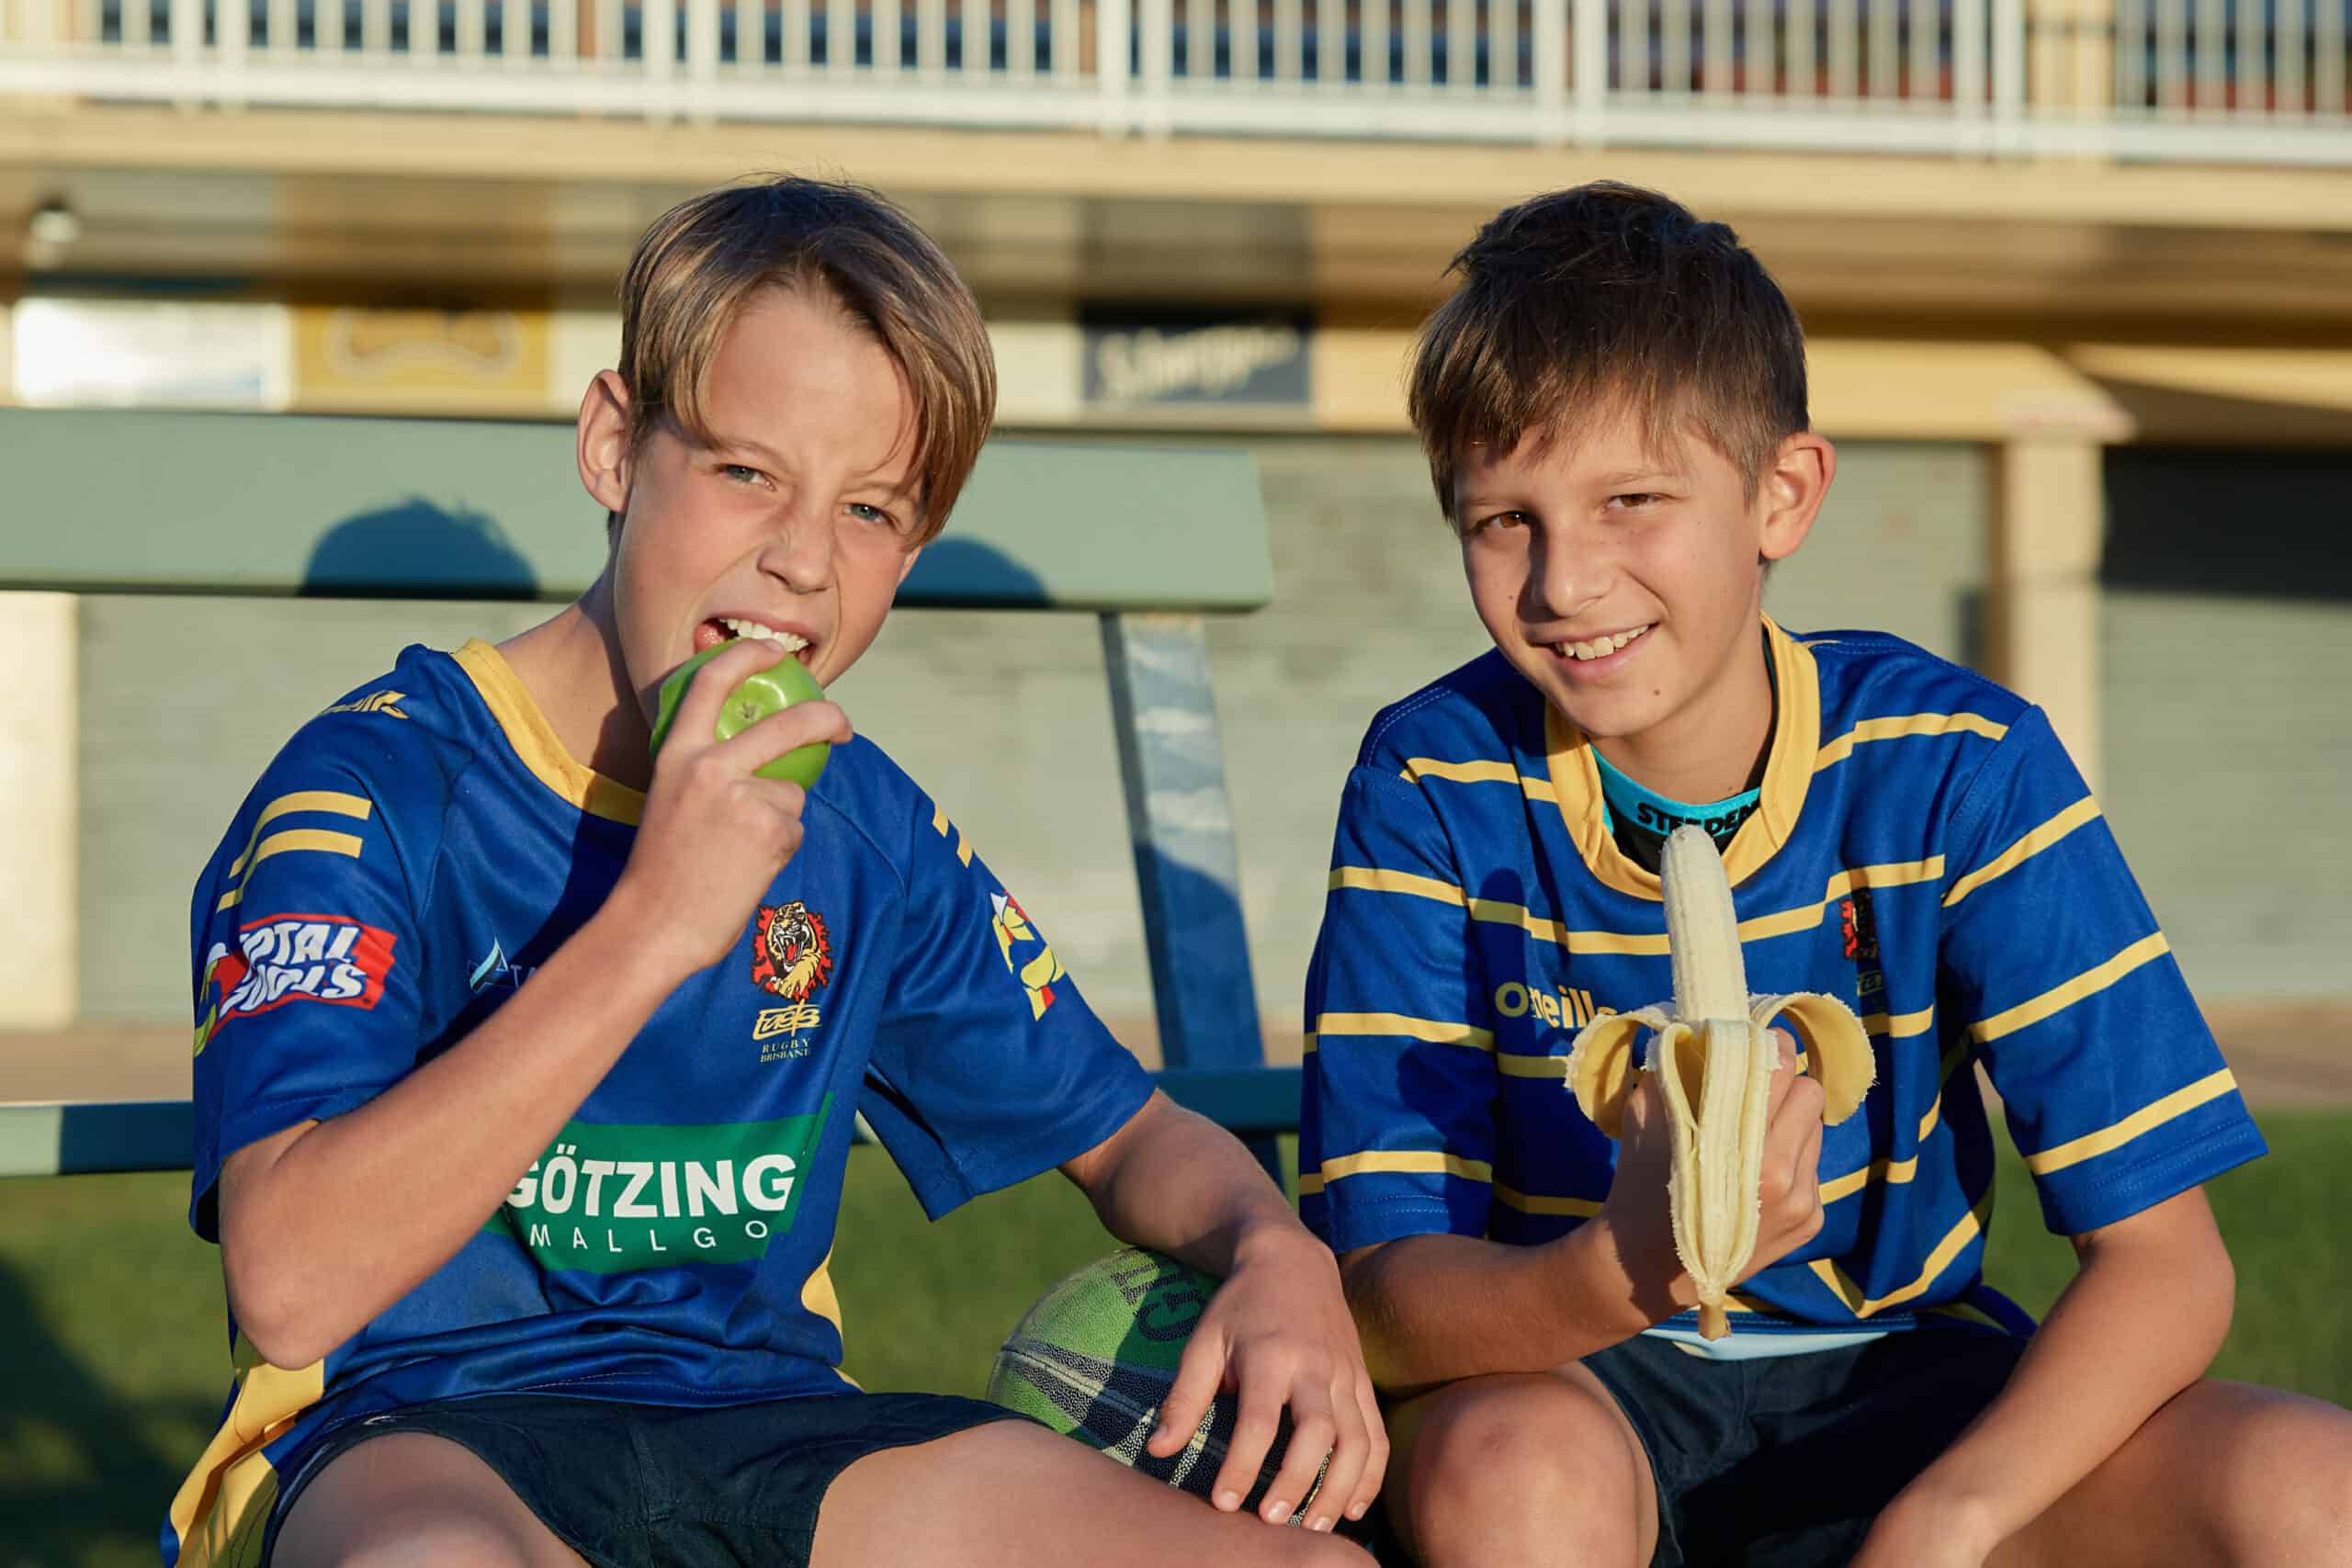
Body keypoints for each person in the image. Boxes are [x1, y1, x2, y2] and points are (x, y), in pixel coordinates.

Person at [166, 175, 1384, 1568]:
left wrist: (1274, 1251)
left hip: (767, 1424)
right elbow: (290, 1283)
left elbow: (1128, 1133)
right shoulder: (376, 793)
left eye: (870, 512)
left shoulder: (857, 827)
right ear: (618, 448)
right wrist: (654, 926)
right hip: (412, 1431)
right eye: (747, 473)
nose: (802, 560)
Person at [1298, 180, 2352, 1568]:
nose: (1564, 581)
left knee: (2312, 1487)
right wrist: (1625, 1268)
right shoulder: (1437, 782)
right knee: (1512, 1474)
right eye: (1505, 521)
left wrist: (1941, 1525)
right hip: (1566, 1384)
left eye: (1631, 500)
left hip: (1904, 1381)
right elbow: (1380, 1295)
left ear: (1781, 494)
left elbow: (2168, 1265)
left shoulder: (1960, 768)